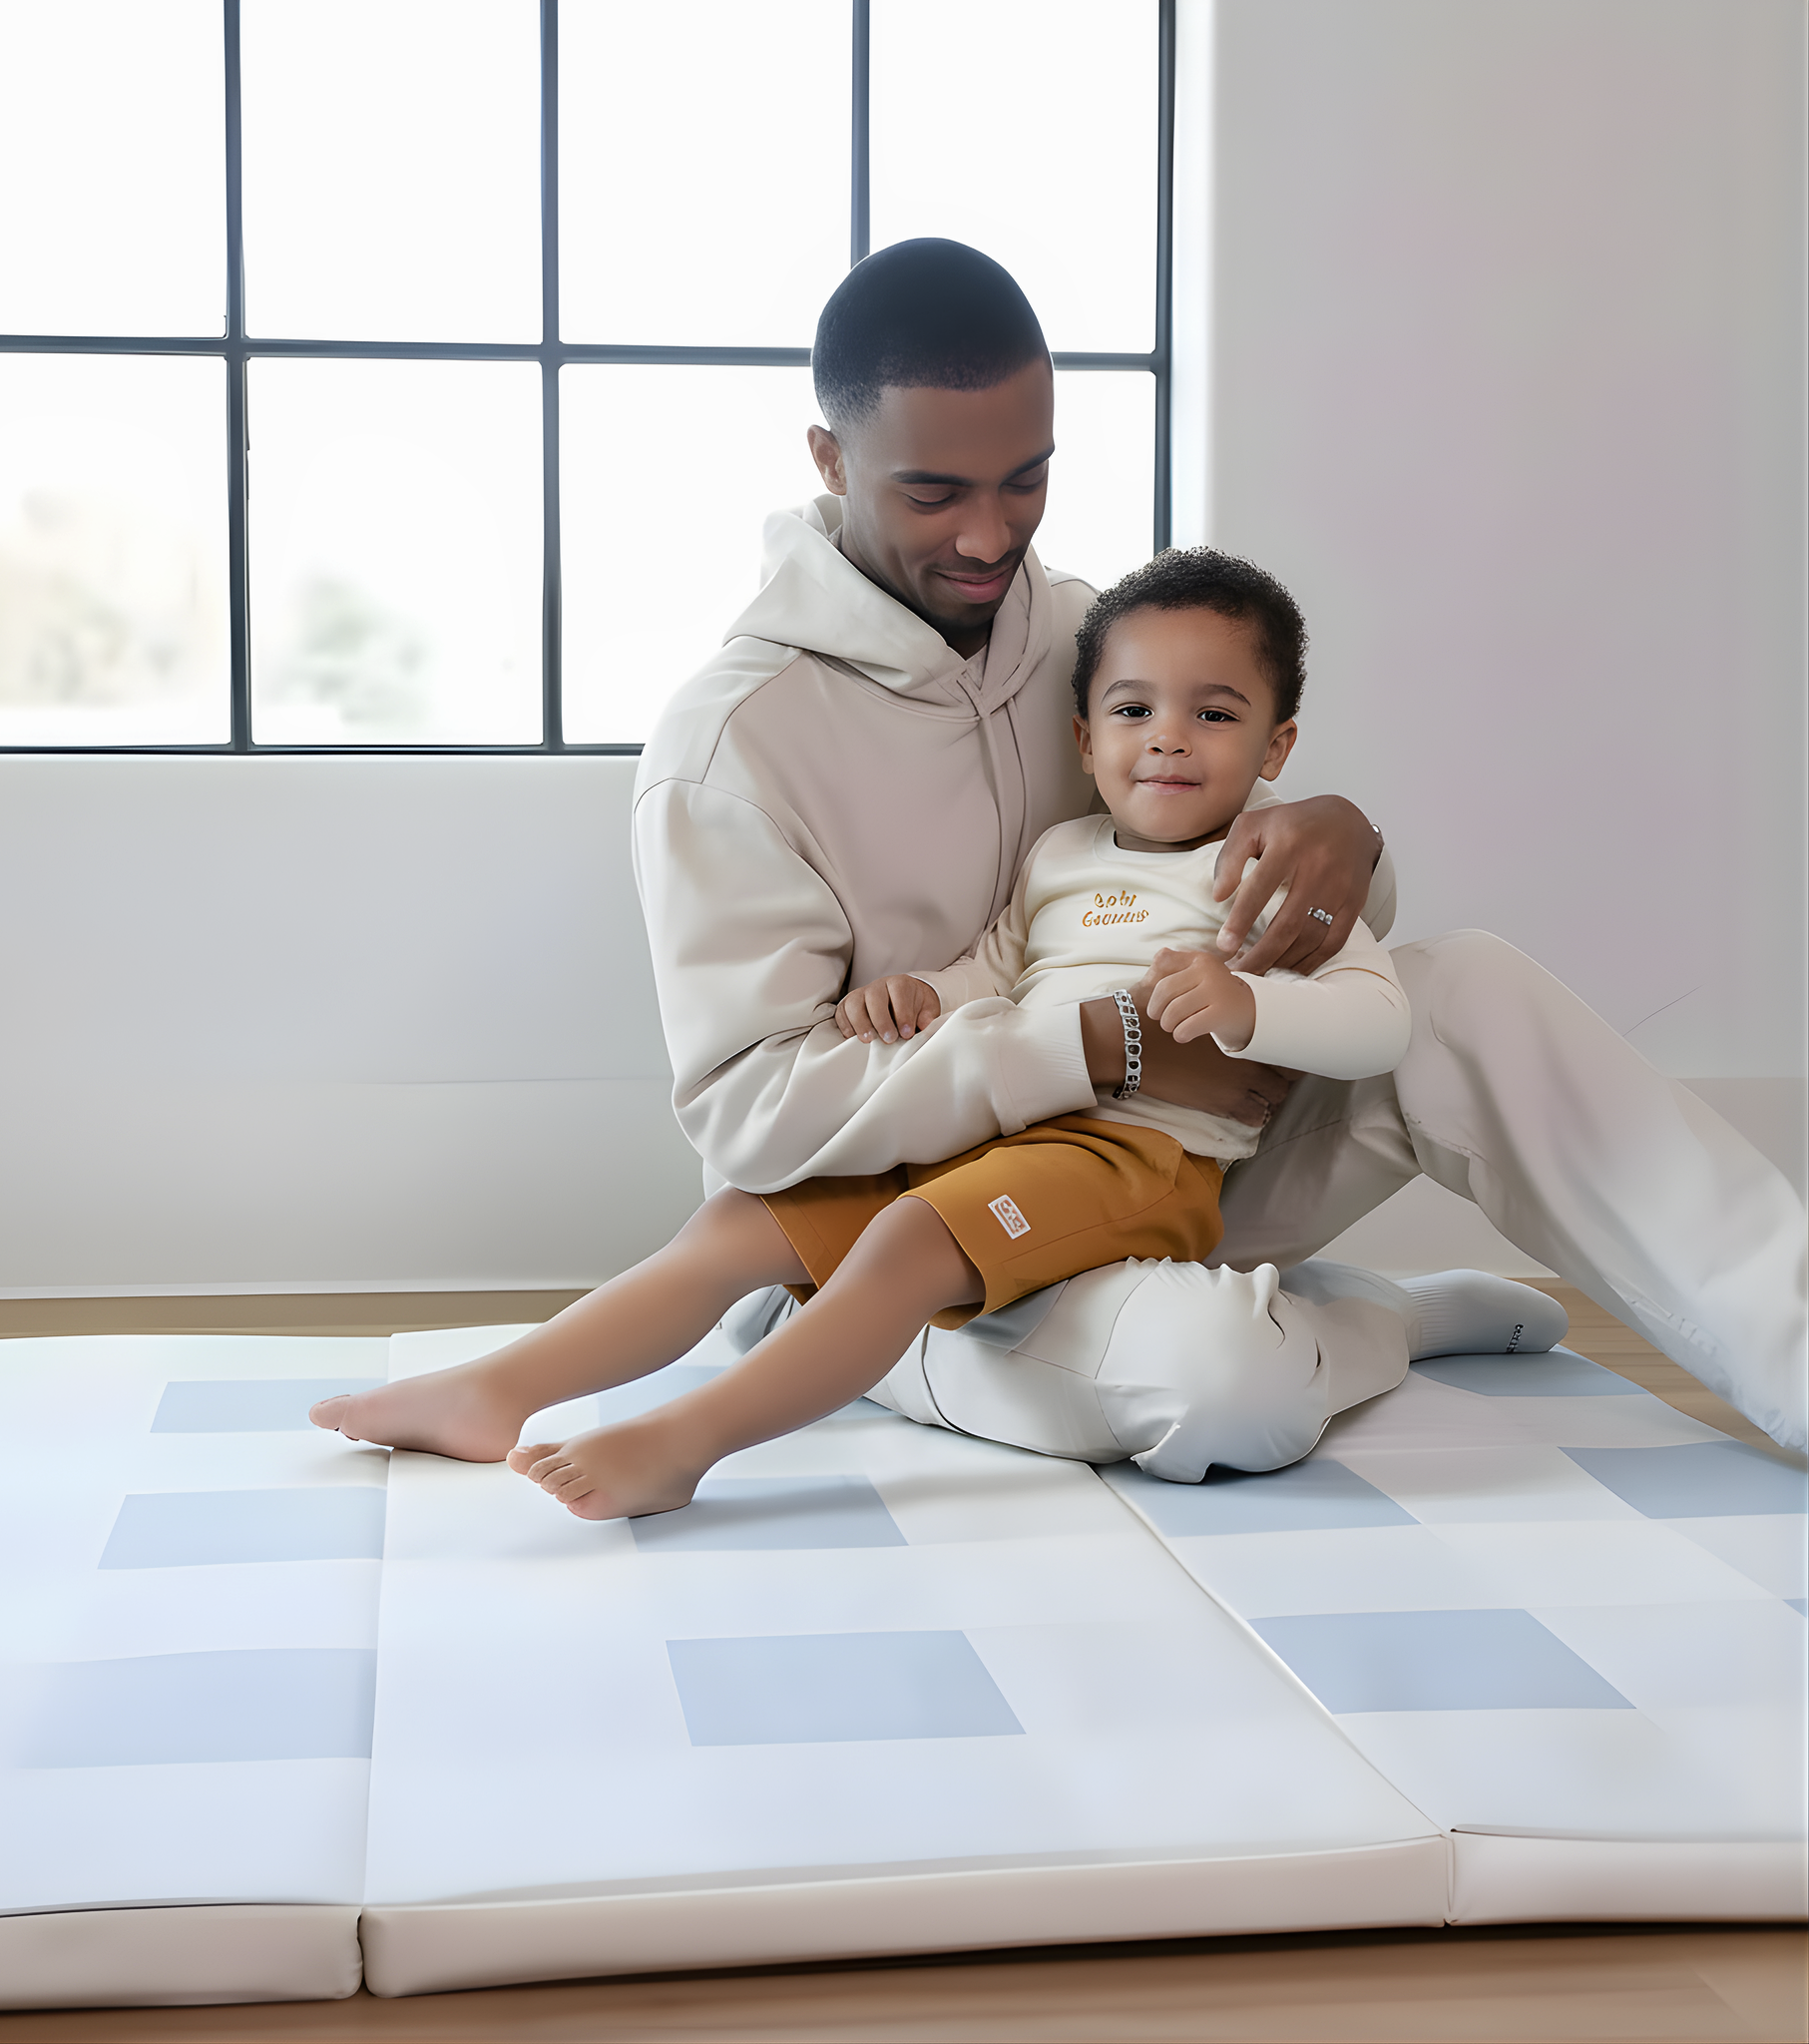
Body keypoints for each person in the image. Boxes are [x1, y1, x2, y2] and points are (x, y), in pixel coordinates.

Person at [329, 238, 1804, 1461]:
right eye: (934, 492)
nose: (991, 537)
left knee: (1468, 984)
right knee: (1225, 1388)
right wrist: (1098, 1046)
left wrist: (1351, 840)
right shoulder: (734, 746)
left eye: (1025, 478)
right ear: (830, 457)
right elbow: (749, 1122)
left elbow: (1219, 879)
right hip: (925, 1220)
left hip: (1183, 1153)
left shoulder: (1098, 640)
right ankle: (1376, 1319)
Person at [310, 547, 1457, 1516]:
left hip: (1136, 1154)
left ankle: (683, 1444)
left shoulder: (1258, 868)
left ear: (1273, 746)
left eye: (1211, 714)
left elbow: (1377, 1019)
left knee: (908, 1243)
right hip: (1010, 1124)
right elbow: (996, 967)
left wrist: (1252, 1009)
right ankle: (496, 1388)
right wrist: (915, 1001)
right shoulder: (1061, 855)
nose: (1166, 739)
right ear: (1083, 734)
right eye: (1132, 711)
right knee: (740, 1220)